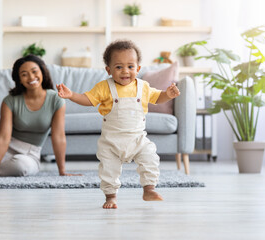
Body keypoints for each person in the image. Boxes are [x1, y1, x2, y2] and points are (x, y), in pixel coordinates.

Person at [56, 40, 180, 209]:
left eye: (130, 66)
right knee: (108, 170)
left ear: (138, 68)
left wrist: (168, 94)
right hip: (111, 142)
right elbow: (88, 100)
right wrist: (72, 95)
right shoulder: (104, 87)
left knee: (150, 157)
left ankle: (149, 188)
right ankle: (111, 196)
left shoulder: (143, 87)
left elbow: (157, 98)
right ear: (109, 70)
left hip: (138, 140)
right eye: (119, 67)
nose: (125, 71)